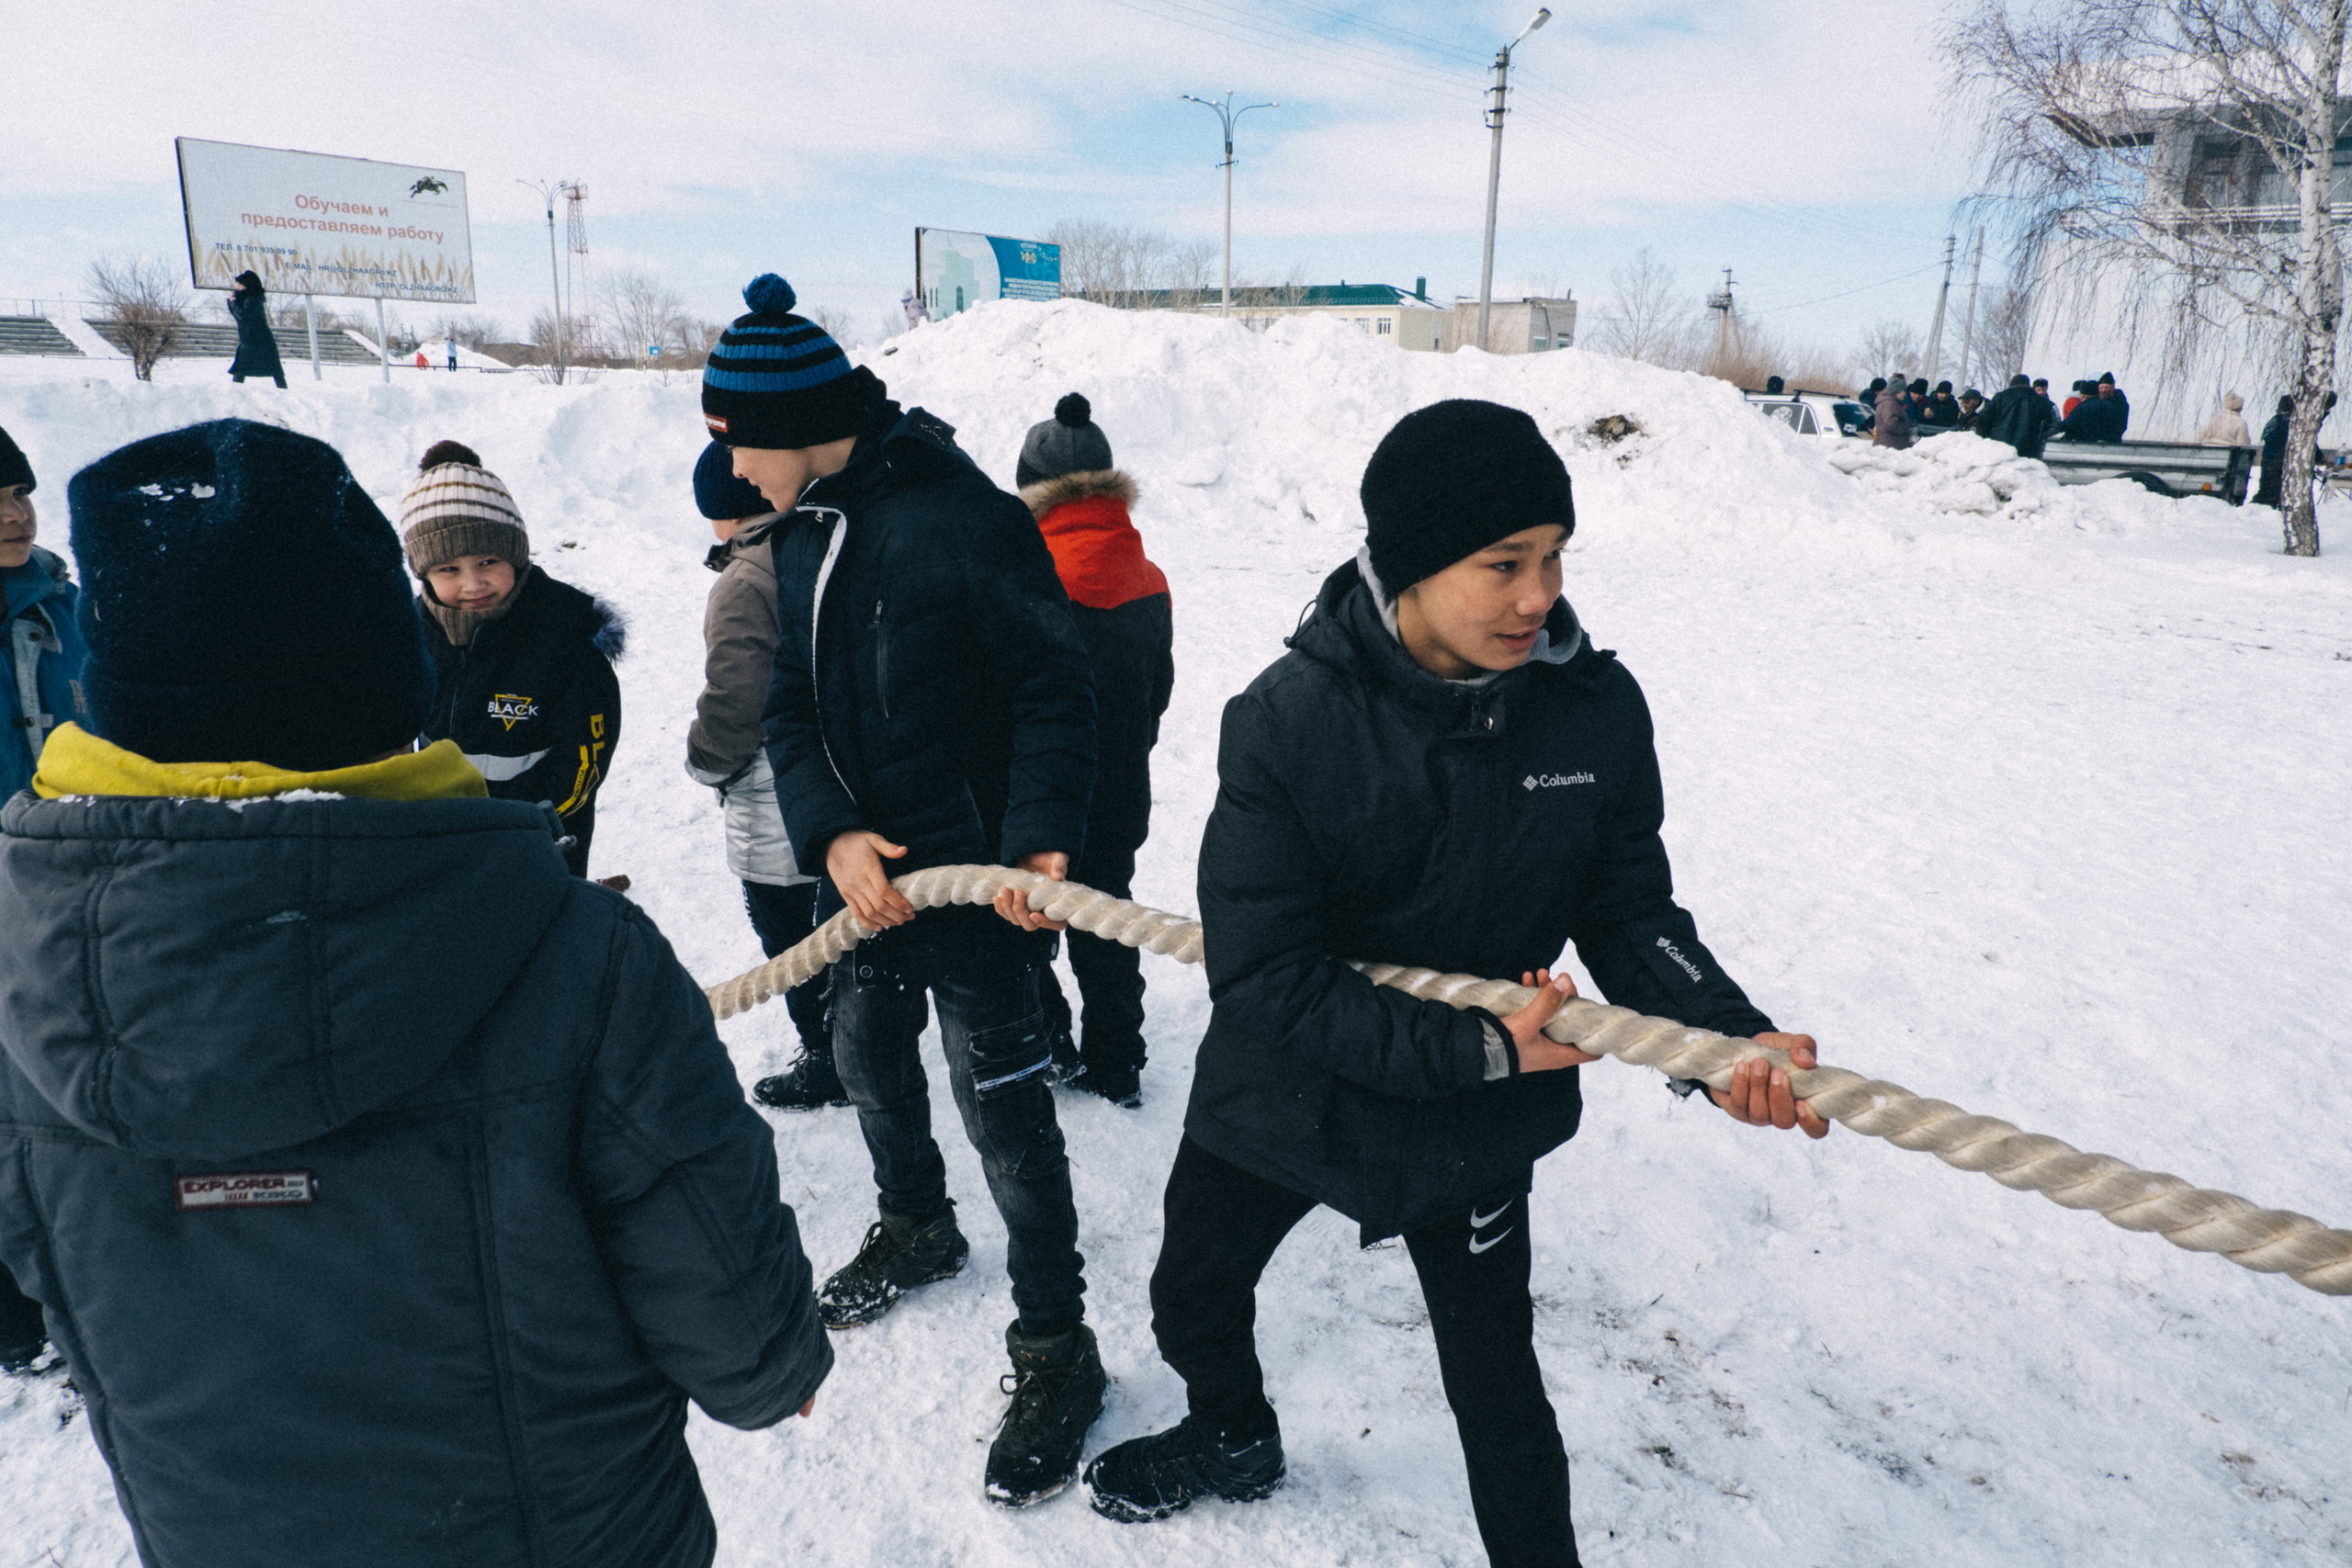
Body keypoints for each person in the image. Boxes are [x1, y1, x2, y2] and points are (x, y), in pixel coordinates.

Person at [0, 417, 831, 1568]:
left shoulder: (19, 967)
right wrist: (775, 1373)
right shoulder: (584, 960)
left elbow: (40, 1264)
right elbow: (738, 1330)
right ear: (389, 666)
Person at [1081, 400, 1828, 1566]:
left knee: (1496, 1387)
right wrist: (1478, 1048)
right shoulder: (1287, 723)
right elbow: (1266, 974)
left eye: (1554, 557)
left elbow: (1629, 909)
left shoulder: (1592, 710)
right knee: (1191, 1294)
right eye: (1503, 564)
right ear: (1410, 566)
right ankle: (1231, 1436)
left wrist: (1721, 1037)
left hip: (1474, 1123)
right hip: (1290, 1091)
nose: (1540, 595)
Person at [707, 272, 1108, 1506]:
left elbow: (1056, 686)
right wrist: (832, 836)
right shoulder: (801, 532)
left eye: (731, 438)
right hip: (873, 889)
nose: (726, 468)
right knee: (869, 1049)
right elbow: (784, 703)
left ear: (791, 421)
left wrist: (1039, 844)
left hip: (978, 889)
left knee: (1009, 1118)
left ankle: (1057, 1348)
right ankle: (917, 1221)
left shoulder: (963, 517)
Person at [1016, 392, 1176, 1108]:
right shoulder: (1150, 578)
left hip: (1045, 790)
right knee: (1109, 917)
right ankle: (1119, 1058)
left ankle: (1048, 1038)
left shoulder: (1028, 577)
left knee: (1025, 917)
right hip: (1121, 786)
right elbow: (1159, 687)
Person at [685, 440, 842, 1111]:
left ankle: (828, 1057)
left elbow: (735, 698)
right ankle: (852, 1038)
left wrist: (703, 758)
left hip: (774, 790)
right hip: (838, 778)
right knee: (836, 921)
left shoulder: (744, 581)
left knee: (788, 935)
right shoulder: (819, 542)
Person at [401, 441, 623, 878]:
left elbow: (584, 760)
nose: (473, 583)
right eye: (448, 569)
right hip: (443, 834)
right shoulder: (409, 636)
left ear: (516, 555)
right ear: (423, 572)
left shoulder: (567, 636)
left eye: (488, 560)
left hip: (541, 838)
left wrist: (530, 826)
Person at [0, 423, 90, 1376]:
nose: (16, 512)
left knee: (67, 1101)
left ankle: (84, 1297)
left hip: (70, 889)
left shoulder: (67, 610)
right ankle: (18, 1315)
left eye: (20, 492)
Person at [225, 271, 286, 389]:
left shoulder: (253, 300)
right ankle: (235, 392)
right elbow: (238, 316)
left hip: (259, 341)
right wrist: (232, 302)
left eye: (239, 285)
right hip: (252, 340)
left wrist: (234, 302)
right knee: (241, 368)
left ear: (247, 285)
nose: (237, 288)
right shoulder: (249, 300)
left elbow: (243, 316)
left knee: (274, 370)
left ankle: (285, 393)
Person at [1980, 373, 2055, 459]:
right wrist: (2040, 438)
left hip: (2001, 445)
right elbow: (2051, 423)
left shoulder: (2000, 397)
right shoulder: (2041, 401)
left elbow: (1984, 415)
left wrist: (1989, 434)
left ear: (2012, 384)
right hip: (2028, 448)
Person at [2055, 382, 2127, 443]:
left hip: (2086, 446)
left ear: (2083, 395)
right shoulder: (2111, 407)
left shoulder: (2080, 408)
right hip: (2108, 444)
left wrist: (2057, 428)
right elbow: (2119, 425)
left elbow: (2069, 424)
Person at [2256, 395, 2293, 507]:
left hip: (2267, 461)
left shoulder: (2273, 421)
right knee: (2272, 494)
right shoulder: (2289, 424)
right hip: (2279, 463)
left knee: (2265, 490)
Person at [1872, 375, 1914, 448]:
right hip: (1890, 445)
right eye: (1903, 391)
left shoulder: (1889, 402)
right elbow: (1890, 424)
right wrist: (1907, 428)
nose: (1904, 394)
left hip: (1887, 443)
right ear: (1897, 391)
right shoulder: (1890, 403)